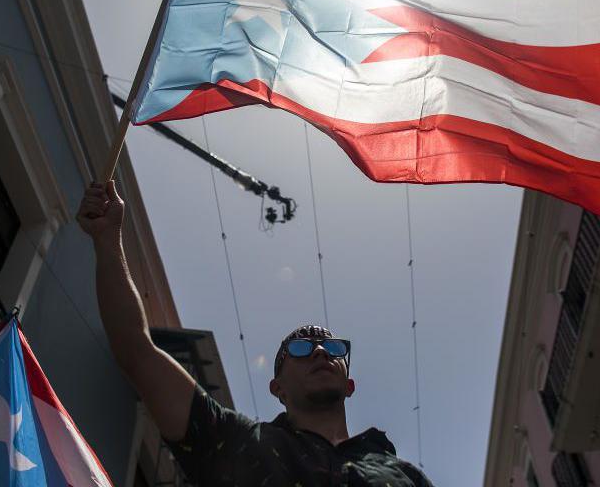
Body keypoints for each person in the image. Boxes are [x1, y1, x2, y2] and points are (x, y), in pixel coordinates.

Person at [77, 181, 434, 486]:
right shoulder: (238, 443)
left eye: (331, 347)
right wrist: (107, 239)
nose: (320, 352)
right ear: (277, 388)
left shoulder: (402, 473)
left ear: (349, 385)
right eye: (299, 348)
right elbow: (136, 350)